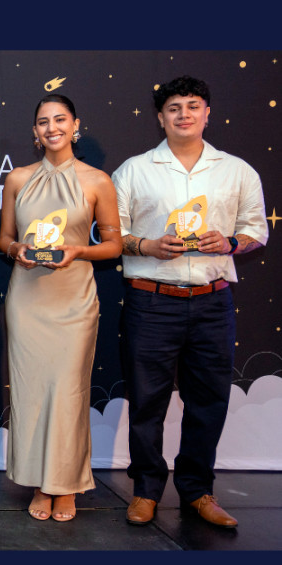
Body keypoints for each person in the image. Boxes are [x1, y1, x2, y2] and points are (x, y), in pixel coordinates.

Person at [112, 75, 268, 528]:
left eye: (193, 106)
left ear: (207, 113)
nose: (184, 114)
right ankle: (145, 491)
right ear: (160, 117)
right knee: (147, 402)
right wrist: (147, 246)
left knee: (209, 401)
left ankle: (198, 490)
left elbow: (257, 230)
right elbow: (113, 233)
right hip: (150, 301)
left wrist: (230, 242)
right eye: (174, 108)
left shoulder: (237, 170)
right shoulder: (134, 170)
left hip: (212, 303)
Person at [0, 94, 122, 522]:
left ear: (75, 125)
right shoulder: (17, 179)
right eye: (43, 121)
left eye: (60, 119)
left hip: (74, 301)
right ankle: (39, 483)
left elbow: (114, 245)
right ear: (34, 131)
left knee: (69, 393)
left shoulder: (98, 181)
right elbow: (5, 238)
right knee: (31, 393)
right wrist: (16, 250)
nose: (52, 127)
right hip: (27, 300)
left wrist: (78, 251)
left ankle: (65, 484)